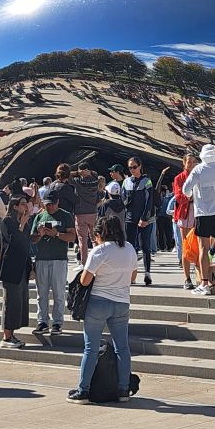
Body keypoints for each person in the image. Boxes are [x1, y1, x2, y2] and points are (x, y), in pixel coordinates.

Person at [67, 213, 138, 404]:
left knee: (90, 348)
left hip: (99, 301)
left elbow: (85, 280)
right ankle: (123, 390)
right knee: (122, 347)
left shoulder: (100, 251)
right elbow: (133, 278)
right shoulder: (129, 249)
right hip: (122, 302)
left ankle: (83, 390)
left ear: (101, 233)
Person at [182, 143, 215, 296]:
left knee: (203, 249)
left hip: (203, 213)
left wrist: (192, 193)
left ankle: (205, 284)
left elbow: (185, 189)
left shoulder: (199, 169)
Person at [31, 189, 76, 336]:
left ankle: (57, 322)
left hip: (59, 258)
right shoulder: (40, 216)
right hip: (41, 258)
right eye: (47, 204)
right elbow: (32, 239)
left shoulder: (66, 215)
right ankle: (42, 321)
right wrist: (40, 234)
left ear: (57, 202)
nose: (49, 207)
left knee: (58, 292)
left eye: (51, 204)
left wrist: (56, 234)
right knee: (41, 293)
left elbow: (72, 237)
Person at [0, 196, 33, 349]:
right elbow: (12, 241)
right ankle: (6, 337)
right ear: (14, 206)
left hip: (22, 267)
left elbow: (26, 242)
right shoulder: (7, 222)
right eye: (23, 204)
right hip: (10, 267)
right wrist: (22, 224)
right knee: (10, 302)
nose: (26, 207)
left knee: (19, 301)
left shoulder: (24, 223)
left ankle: (11, 334)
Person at [122, 156, 154, 287]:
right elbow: (123, 199)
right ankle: (131, 275)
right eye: (130, 167)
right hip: (130, 218)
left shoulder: (147, 181)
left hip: (144, 218)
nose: (132, 170)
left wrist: (144, 218)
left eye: (134, 167)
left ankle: (147, 273)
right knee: (130, 247)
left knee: (144, 245)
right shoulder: (126, 182)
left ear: (140, 166)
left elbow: (149, 201)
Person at [173, 153, 197, 289]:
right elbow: (179, 196)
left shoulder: (199, 175)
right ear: (184, 163)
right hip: (185, 213)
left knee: (200, 245)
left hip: (198, 213)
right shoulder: (179, 178)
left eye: (194, 162)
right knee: (186, 246)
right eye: (189, 162)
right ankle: (187, 278)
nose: (191, 164)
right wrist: (191, 197)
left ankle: (201, 276)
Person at [73, 160, 100, 261]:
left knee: (82, 240)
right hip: (93, 212)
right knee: (95, 238)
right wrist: (88, 172)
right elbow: (95, 173)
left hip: (80, 213)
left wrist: (77, 173)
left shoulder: (77, 181)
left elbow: (65, 174)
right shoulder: (95, 178)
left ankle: (84, 263)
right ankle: (97, 259)